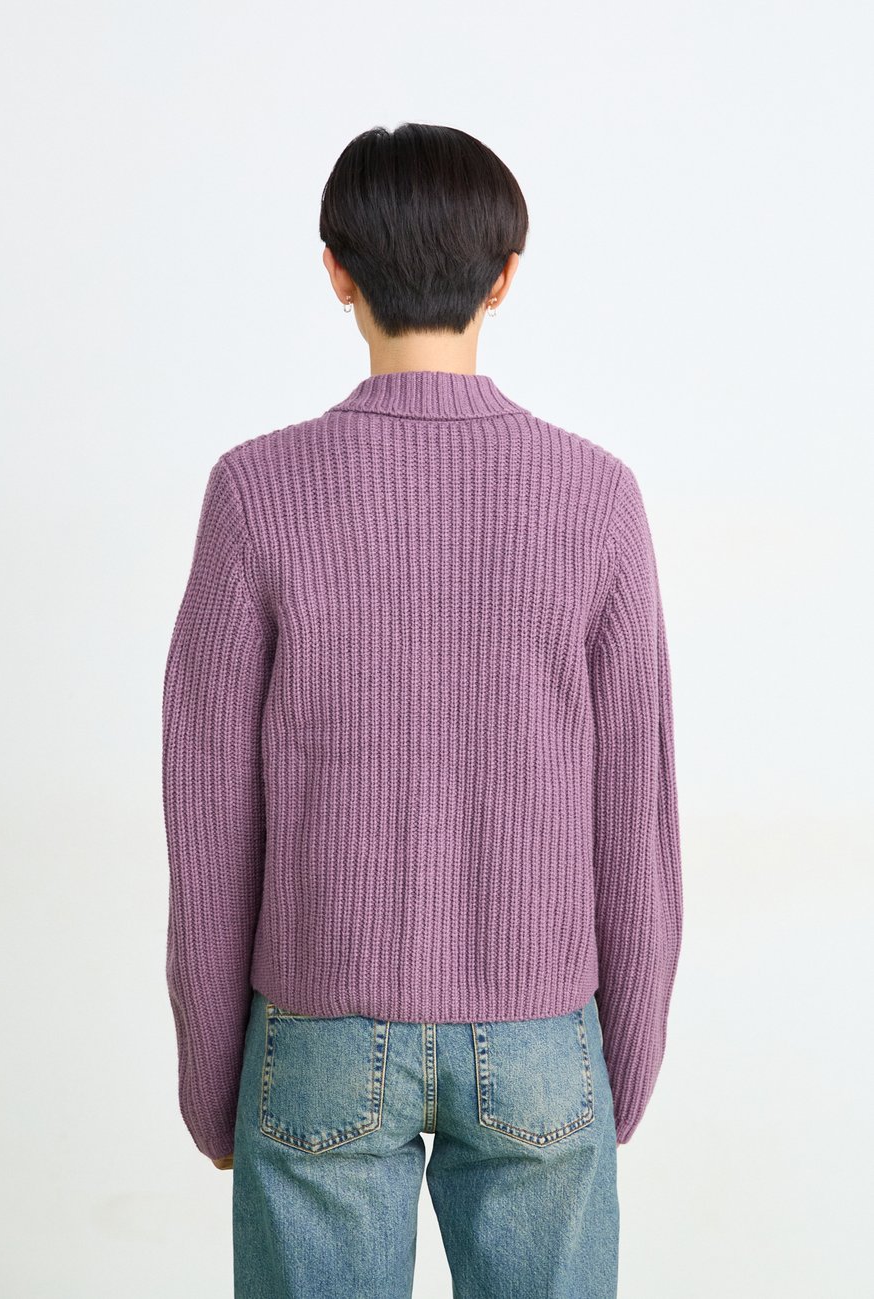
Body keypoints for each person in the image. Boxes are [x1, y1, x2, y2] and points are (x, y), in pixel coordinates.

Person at [161, 121, 683, 1299]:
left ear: (336, 271)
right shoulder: (597, 496)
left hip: (318, 1028)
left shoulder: (255, 491)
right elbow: (636, 814)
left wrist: (211, 1079)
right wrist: (620, 1066)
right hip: (544, 1028)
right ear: (506, 277)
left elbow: (207, 814)